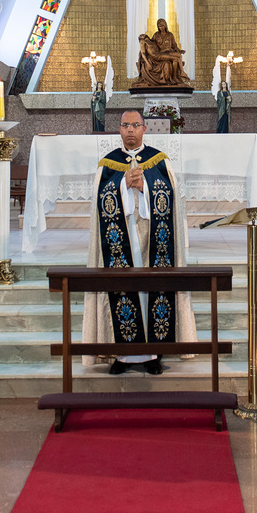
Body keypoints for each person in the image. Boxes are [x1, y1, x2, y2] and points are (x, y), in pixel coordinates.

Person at [81, 110, 196, 373]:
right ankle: (122, 356)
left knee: (151, 290)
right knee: (122, 289)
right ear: (119, 130)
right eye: (125, 125)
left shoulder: (159, 161)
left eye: (135, 125)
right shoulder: (108, 164)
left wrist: (146, 189)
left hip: (152, 242)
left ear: (144, 129)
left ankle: (154, 355)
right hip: (120, 243)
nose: (130, 130)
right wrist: (122, 184)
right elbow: (100, 204)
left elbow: (171, 197)